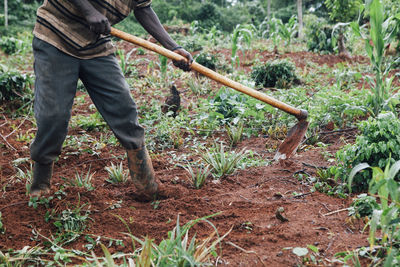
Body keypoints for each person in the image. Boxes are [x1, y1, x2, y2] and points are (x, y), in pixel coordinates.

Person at [29, 0, 193, 198]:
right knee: (53, 116)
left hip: (96, 45)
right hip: (55, 36)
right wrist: (89, 10)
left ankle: (146, 185)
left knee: (124, 109)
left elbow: (143, 8)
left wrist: (173, 47)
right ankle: (40, 186)